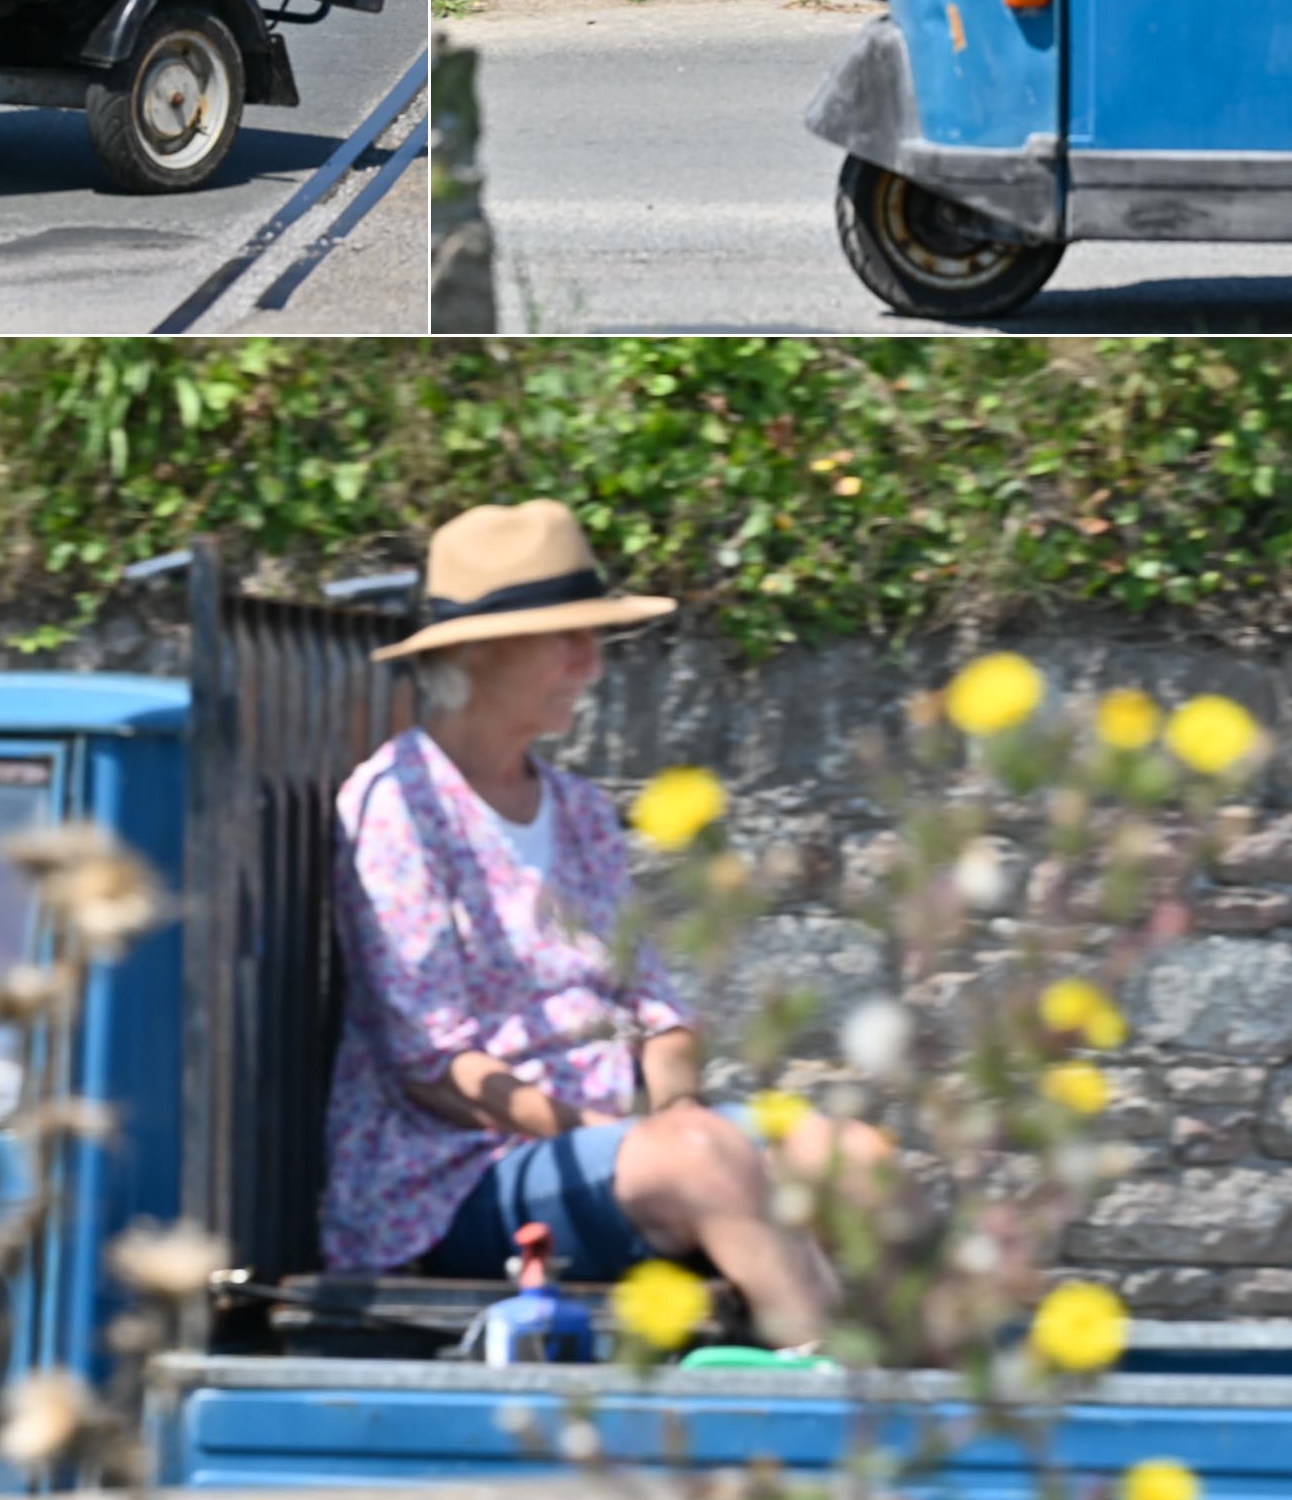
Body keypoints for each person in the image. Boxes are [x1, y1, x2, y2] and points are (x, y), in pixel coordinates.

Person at [321, 501, 897, 1348]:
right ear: (479, 651)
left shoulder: (580, 809)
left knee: (853, 1157)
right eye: (568, 638)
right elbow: (433, 1068)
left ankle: (942, 1401)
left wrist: (673, 1109)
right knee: (704, 1161)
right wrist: (643, 1138)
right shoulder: (397, 807)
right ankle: (841, 1404)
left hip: (619, 1149)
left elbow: (656, 1007)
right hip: (451, 1176)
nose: (591, 664)